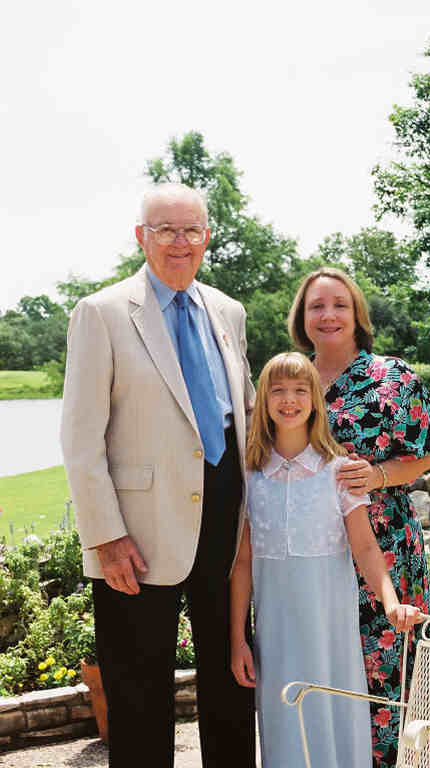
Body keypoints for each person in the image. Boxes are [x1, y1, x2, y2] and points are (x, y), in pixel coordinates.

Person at [60, 183, 256, 768]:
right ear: (141, 236)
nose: (179, 242)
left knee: (231, 680)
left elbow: (243, 412)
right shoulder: (101, 313)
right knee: (139, 691)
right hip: (137, 537)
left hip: (226, 521)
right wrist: (104, 535)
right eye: (165, 230)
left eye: (190, 230)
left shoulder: (229, 311)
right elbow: (79, 438)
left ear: (207, 237)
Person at [230, 351, 423, 768]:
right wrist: (237, 639)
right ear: (262, 400)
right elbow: (242, 564)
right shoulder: (249, 478)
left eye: (300, 390)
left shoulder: (338, 471)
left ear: (316, 399)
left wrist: (391, 602)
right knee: (286, 724)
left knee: (336, 722)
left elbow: (366, 548)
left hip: (331, 633)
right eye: (277, 390)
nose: (289, 399)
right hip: (276, 638)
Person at [288, 267, 430, 767]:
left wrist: (377, 476)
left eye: (339, 305)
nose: (328, 315)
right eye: (316, 306)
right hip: (311, 551)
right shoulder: (290, 379)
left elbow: (428, 452)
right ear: (302, 318)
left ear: (357, 314)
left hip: (385, 543)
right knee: (326, 670)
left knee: (393, 673)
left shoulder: (392, 377)